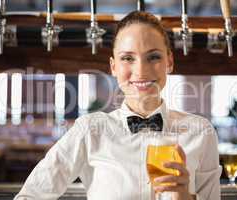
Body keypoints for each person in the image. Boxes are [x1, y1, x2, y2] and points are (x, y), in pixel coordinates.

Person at [14, 11, 221, 200]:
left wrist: (185, 196)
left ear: (169, 62)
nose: (141, 71)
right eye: (128, 58)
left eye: (154, 57)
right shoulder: (89, 130)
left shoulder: (201, 132)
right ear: (113, 66)